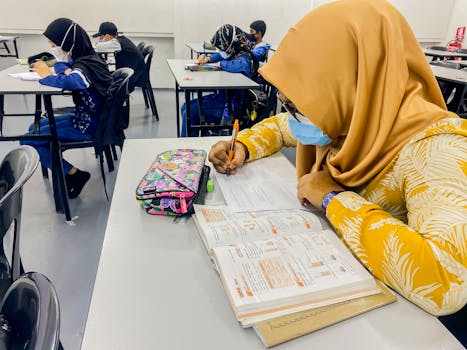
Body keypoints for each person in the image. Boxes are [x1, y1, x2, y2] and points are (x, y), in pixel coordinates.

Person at [209, 0, 467, 323]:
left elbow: (446, 279)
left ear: (351, 83)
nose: (292, 115)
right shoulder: (353, 118)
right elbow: (283, 128)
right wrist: (244, 145)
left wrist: (333, 199)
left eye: (299, 105)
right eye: (287, 103)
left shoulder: (437, 149)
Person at [21, 18, 112, 198]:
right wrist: (63, 67)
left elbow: (75, 80)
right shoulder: (85, 57)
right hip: (86, 117)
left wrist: (46, 76)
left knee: (28, 140)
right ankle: (58, 163)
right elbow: (64, 65)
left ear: (68, 44)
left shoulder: (86, 64)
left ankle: (75, 174)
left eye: (54, 44)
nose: (52, 48)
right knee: (34, 129)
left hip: (90, 125)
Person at [181, 24, 258, 137]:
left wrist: (220, 64)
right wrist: (208, 59)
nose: (220, 51)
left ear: (231, 43)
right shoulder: (234, 51)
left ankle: (189, 147)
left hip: (233, 105)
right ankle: (193, 141)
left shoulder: (246, 57)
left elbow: (239, 65)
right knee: (185, 107)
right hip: (224, 98)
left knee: (190, 111)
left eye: (222, 48)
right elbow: (221, 56)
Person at [94, 21, 145, 92]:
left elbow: (98, 47)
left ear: (107, 36)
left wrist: (101, 42)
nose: (100, 39)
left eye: (101, 37)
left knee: (102, 75)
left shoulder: (116, 43)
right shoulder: (121, 39)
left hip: (133, 77)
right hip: (136, 72)